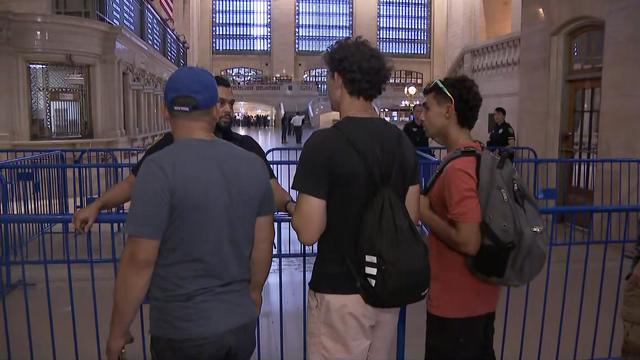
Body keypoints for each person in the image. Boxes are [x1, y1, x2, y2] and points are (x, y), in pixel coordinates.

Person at [105, 67, 275, 360]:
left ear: (164, 111)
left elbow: (139, 260)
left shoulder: (157, 170)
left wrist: (118, 331)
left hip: (181, 329)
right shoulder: (253, 165)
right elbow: (262, 245)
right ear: (213, 109)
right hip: (239, 324)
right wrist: (253, 296)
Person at [291, 37, 420, 360]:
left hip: (339, 289)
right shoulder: (402, 143)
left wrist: (291, 207)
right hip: (386, 288)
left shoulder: (324, 145)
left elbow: (308, 231)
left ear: (338, 79)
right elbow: (410, 218)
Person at [72, 76, 295, 234]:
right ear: (207, 105)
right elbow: (133, 184)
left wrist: (290, 206)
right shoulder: (170, 145)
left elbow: (271, 188)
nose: (228, 109)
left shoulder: (246, 146)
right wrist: (98, 204)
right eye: (221, 103)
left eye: (231, 103)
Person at [419, 76, 500, 360]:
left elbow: (468, 240)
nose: (421, 115)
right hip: (481, 300)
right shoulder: (479, 155)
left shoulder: (458, 169)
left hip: (455, 310)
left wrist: (425, 212)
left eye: (427, 108)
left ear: (449, 110)